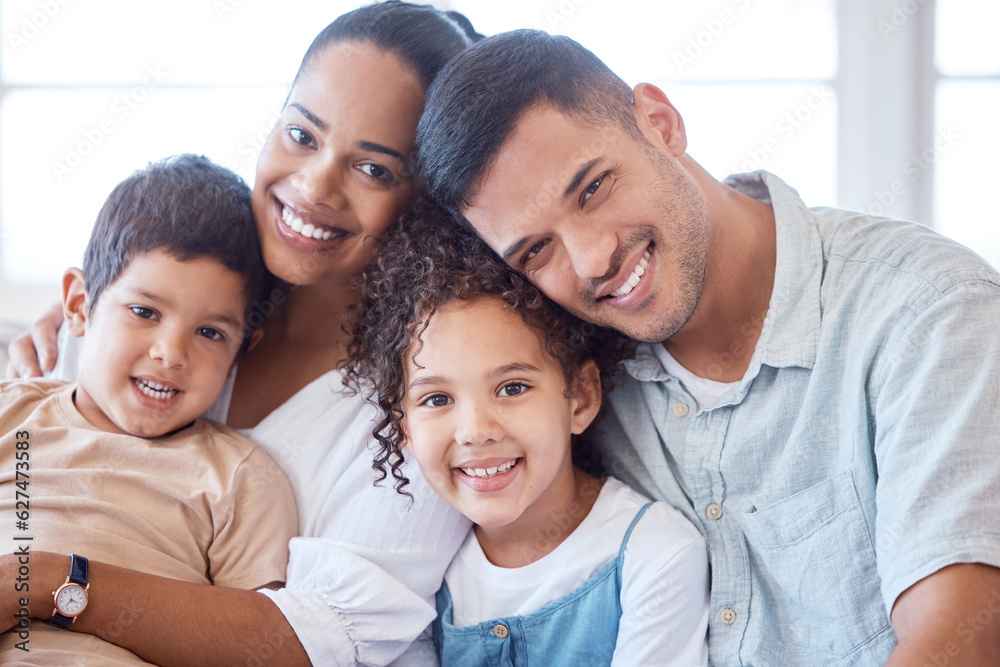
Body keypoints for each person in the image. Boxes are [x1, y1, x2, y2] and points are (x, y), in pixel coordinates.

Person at [414, 29, 1000, 666]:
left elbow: (960, 641)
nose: (591, 260)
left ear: (660, 122)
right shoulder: (570, 374)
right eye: (536, 251)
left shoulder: (929, 309)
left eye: (592, 189)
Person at [2, 3, 480, 665]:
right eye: (301, 133)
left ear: (426, 202)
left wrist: (54, 582)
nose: (313, 185)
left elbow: (313, 637)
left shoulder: (426, 403)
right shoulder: (162, 282)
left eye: (374, 168)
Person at [344, 199, 709, 666]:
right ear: (403, 428)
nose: (476, 431)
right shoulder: (418, 579)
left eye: (512, 387)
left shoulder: (654, 553)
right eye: (437, 399)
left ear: (580, 397)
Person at [0, 154, 298, 663]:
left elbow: (253, 644)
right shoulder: (13, 413)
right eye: (144, 311)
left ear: (241, 353)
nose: (171, 353)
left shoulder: (241, 478)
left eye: (210, 332)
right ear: (78, 306)